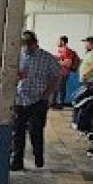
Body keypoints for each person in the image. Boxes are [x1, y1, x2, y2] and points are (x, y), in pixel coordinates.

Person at [12, 31, 61, 171]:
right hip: (20, 100)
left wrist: (48, 93)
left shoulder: (47, 58)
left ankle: (38, 158)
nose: (26, 48)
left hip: (38, 101)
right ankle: (17, 162)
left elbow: (57, 76)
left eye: (28, 45)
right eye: (23, 45)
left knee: (36, 132)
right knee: (17, 133)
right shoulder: (19, 56)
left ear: (35, 43)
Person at [53, 35, 75, 108]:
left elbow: (68, 63)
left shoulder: (66, 50)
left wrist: (57, 61)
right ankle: (54, 103)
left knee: (61, 88)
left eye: (58, 40)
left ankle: (60, 104)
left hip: (63, 73)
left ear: (62, 41)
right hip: (58, 73)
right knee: (56, 88)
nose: (56, 42)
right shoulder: (60, 50)